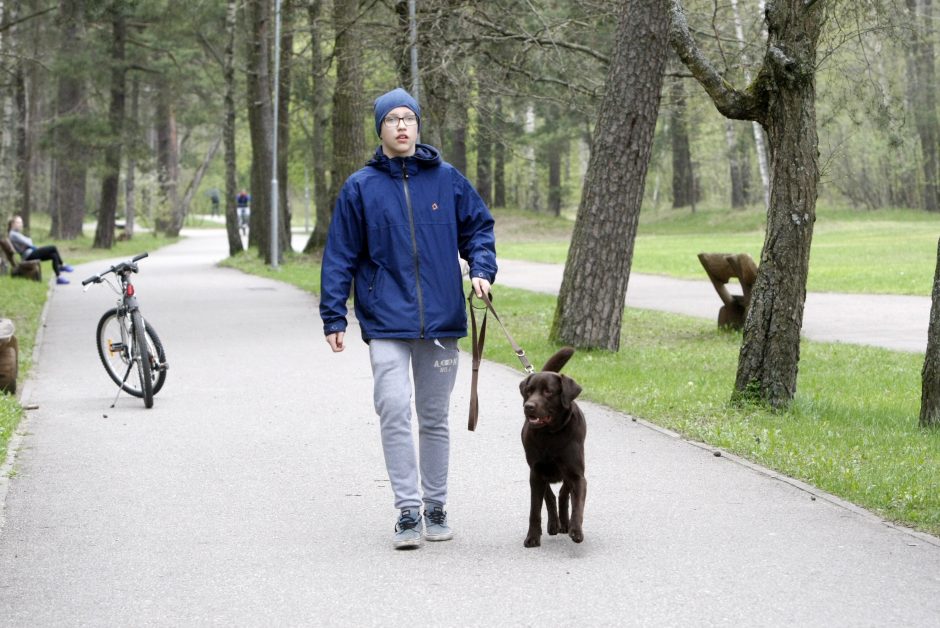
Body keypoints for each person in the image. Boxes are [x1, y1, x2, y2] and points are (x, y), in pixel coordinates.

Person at [319, 87, 497, 550]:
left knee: (434, 416)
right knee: (394, 410)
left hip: (441, 321)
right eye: (392, 119)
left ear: (418, 125)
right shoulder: (360, 187)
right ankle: (406, 511)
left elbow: (479, 228)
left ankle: (435, 505)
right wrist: (333, 315)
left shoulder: (447, 179)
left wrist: (481, 270)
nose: (402, 125)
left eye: (409, 118)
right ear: (379, 128)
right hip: (385, 321)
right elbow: (340, 254)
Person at [6, 215, 74, 285]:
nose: (21, 224)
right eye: (18, 222)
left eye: (21, 222)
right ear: (12, 224)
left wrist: (28, 241)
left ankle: (59, 277)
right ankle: (62, 265)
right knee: (53, 248)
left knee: (53, 255)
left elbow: (28, 242)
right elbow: (29, 242)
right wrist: (28, 240)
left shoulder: (15, 234)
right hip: (28, 255)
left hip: (30, 253)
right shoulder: (13, 234)